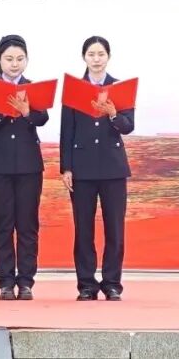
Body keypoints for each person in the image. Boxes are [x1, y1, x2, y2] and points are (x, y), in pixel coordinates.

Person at [60, 35, 134, 302]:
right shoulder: (74, 88)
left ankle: (112, 283)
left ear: (108, 57)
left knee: (115, 229)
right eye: (91, 54)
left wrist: (113, 113)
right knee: (83, 230)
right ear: (84, 57)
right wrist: (66, 168)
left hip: (113, 169)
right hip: (82, 170)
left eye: (101, 54)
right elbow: (67, 131)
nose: (96, 59)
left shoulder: (121, 88)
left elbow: (128, 126)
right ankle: (86, 284)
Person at [0, 34, 48, 301]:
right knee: (3, 224)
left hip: (29, 165)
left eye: (19, 59)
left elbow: (42, 118)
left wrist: (27, 111)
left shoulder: (33, 87)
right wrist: (2, 109)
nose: (14, 64)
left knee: (28, 225)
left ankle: (26, 281)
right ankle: (6, 282)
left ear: (26, 60)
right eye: (8, 59)